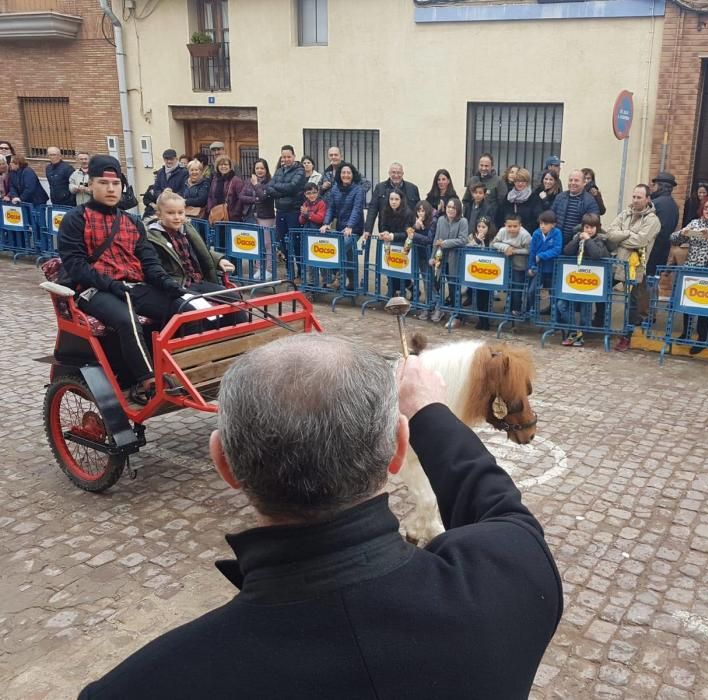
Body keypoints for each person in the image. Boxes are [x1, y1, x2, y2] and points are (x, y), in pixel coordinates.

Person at [78, 335, 562, 699]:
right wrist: (431, 414)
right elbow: (497, 504)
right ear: (397, 450)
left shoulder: (141, 686)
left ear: (224, 463)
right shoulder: (517, 582)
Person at [57, 156, 186, 404]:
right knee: (126, 319)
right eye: (103, 182)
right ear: (91, 184)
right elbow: (76, 265)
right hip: (93, 291)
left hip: (132, 286)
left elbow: (149, 262)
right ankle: (146, 380)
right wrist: (111, 285)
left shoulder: (132, 221)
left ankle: (179, 367)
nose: (110, 189)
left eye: (115, 183)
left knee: (180, 307)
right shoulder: (75, 219)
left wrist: (166, 283)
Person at [145, 189, 247, 331]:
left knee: (235, 299)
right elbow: (154, 267)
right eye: (170, 213)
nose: (177, 217)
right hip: (178, 285)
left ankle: (238, 336)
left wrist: (218, 260)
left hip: (197, 280)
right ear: (159, 214)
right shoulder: (152, 237)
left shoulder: (187, 229)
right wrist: (171, 284)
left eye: (180, 213)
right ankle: (198, 347)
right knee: (196, 310)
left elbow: (201, 251)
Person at [669, 195, 708, 354]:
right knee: (689, 301)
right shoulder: (695, 223)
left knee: (705, 304)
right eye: (706, 207)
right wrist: (682, 233)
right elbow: (673, 239)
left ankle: (703, 338)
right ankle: (686, 332)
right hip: (691, 269)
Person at [605, 184, 661, 351]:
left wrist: (621, 236)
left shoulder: (653, 220)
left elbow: (641, 241)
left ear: (647, 199)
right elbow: (610, 233)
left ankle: (626, 336)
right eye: (634, 197)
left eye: (639, 197)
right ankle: (598, 323)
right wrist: (628, 234)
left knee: (632, 303)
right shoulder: (625, 213)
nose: (635, 200)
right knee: (603, 291)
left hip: (635, 267)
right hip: (617, 263)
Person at [558, 213, 609, 347]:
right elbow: (567, 251)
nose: (589, 230)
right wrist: (577, 240)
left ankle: (579, 335)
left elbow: (597, 254)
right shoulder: (577, 237)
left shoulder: (600, 240)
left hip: (590, 283)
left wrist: (588, 240)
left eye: (592, 227)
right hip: (574, 281)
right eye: (587, 227)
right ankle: (575, 331)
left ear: (597, 228)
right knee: (561, 305)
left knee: (585, 311)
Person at [321, 163, 365, 289]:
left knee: (339, 249)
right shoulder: (335, 188)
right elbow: (331, 208)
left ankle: (337, 276)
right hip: (341, 228)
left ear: (353, 175)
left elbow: (357, 209)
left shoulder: (358, 189)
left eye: (348, 173)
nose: (346, 175)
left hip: (354, 228)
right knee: (349, 255)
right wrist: (326, 223)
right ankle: (353, 284)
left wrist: (350, 226)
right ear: (339, 175)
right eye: (343, 173)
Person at [428, 198, 468, 323]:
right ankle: (439, 308)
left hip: (454, 257)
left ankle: (457, 312)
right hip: (440, 257)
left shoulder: (462, 221)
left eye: (453, 207)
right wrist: (432, 256)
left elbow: (463, 239)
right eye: (448, 207)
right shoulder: (441, 220)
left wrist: (446, 243)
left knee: (453, 285)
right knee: (437, 282)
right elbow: (436, 239)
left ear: (458, 209)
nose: (450, 210)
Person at [265, 145, 307, 264]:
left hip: (293, 212)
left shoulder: (300, 170)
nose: (286, 159)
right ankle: (290, 272)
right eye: (284, 157)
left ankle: (300, 272)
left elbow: (292, 187)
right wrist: (283, 192)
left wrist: (277, 187)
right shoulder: (279, 171)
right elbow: (269, 187)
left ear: (294, 156)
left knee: (296, 243)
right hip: (280, 211)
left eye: (289, 156)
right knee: (283, 243)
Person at [239, 158, 276, 281]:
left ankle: (269, 270)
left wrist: (256, 185)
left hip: (266, 216)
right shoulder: (249, 181)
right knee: (257, 243)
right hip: (253, 216)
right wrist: (255, 200)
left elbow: (264, 197)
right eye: (257, 168)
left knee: (267, 244)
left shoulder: (270, 182)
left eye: (262, 168)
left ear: (266, 170)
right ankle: (258, 268)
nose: (259, 171)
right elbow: (242, 196)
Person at [374, 190, 415, 299]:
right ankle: (394, 291)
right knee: (390, 270)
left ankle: (409, 290)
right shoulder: (385, 211)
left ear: (401, 200)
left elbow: (407, 233)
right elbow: (383, 225)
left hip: (403, 246)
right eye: (391, 199)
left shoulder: (408, 213)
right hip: (389, 245)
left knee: (401, 272)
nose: (393, 202)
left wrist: (392, 236)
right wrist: (385, 232)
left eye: (396, 199)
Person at [365, 162, 421, 239]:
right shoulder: (380, 188)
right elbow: (372, 209)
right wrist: (368, 230)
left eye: (399, 173)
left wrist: (418, 224)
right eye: (393, 172)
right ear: (389, 173)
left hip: (407, 235)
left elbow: (418, 209)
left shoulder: (412, 188)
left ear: (403, 173)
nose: (396, 175)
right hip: (386, 233)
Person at [492, 212, 532, 315]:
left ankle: (516, 310)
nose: (512, 229)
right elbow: (493, 243)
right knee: (507, 286)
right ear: (505, 225)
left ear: (520, 225)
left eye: (515, 226)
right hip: (504, 265)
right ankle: (508, 307)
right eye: (509, 226)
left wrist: (514, 251)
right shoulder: (502, 231)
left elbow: (530, 250)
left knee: (517, 288)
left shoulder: (525, 235)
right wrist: (506, 247)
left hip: (520, 265)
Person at [551, 170, 600, 247]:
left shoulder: (590, 201)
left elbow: (594, 223)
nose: (572, 183)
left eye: (576, 180)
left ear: (584, 183)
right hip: (557, 242)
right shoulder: (560, 197)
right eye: (570, 180)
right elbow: (551, 217)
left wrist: (576, 232)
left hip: (577, 244)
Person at [527, 210, 562, 316]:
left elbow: (557, 250)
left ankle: (555, 315)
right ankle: (532, 311)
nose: (542, 226)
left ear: (553, 225)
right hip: (538, 269)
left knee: (553, 292)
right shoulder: (536, 233)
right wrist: (531, 266)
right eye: (541, 223)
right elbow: (532, 251)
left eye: (546, 224)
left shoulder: (557, 233)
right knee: (531, 291)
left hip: (552, 269)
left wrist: (542, 256)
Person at [647, 171, 680, 279]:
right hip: (662, 251)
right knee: (653, 281)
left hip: (652, 251)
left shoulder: (657, 203)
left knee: (646, 284)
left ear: (661, 187)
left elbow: (659, 231)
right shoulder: (673, 204)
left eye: (654, 185)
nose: (652, 188)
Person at [412, 200, 438, 321]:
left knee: (431, 282)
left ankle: (436, 305)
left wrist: (415, 234)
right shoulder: (416, 221)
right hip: (420, 255)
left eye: (423, 210)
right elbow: (409, 233)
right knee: (426, 281)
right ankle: (429, 305)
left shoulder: (433, 221)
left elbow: (429, 239)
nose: (421, 213)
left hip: (431, 256)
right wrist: (415, 227)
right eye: (419, 210)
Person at [462, 153, 507, 224]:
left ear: (492, 167)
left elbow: (502, 204)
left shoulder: (498, 181)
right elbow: (466, 200)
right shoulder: (472, 180)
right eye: (481, 165)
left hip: (490, 222)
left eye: (486, 166)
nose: (483, 168)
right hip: (472, 221)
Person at [467, 216, 494, 330]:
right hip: (477, 271)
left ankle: (486, 320)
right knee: (478, 295)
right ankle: (481, 319)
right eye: (479, 226)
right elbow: (467, 247)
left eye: (483, 227)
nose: (481, 229)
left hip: (489, 271)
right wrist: (477, 240)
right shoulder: (472, 237)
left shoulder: (493, 239)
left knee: (487, 296)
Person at [501, 168, 542, 234]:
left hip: (527, 235)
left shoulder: (534, 198)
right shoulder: (508, 197)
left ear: (527, 182)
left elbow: (537, 219)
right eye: (517, 181)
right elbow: (501, 216)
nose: (520, 184)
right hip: (508, 235)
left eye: (523, 181)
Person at [206, 156, 245, 223]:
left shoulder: (236, 180)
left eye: (226, 164)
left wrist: (235, 213)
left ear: (230, 166)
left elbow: (241, 198)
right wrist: (210, 209)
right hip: (216, 214)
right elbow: (210, 195)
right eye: (221, 165)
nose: (223, 166)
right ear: (217, 167)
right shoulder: (215, 179)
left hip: (231, 217)